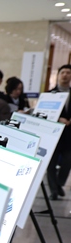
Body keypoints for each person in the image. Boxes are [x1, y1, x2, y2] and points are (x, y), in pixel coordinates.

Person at [45, 64, 71, 199]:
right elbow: (43, 113)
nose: (65, 75)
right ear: (58, 75)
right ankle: (53, 191)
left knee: (68, 161)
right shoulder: (49, 94)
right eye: (63, 72)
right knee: (51, 162)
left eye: (68, 73)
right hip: (53, 133)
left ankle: (59, 183)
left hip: (69, 134)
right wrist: (57, 118)